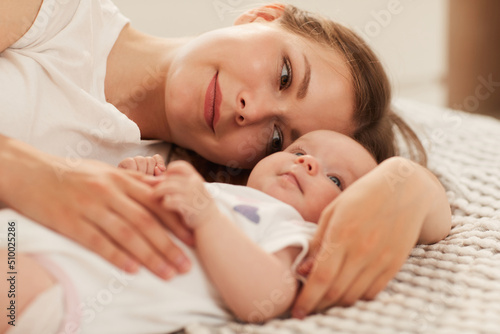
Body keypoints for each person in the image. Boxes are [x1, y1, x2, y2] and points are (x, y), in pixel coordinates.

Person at [0, 0, 447, 315]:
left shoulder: (173, 191)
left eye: (278, 139)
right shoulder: (56, 17)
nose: (249, 110)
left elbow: (432, 216)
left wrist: (407, 181)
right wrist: (30, 175)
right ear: (262, 16)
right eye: (286, 75)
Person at [0, 130, 451, 333]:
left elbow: (266, 300)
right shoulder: (224, 192)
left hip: (66, 284)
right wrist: (138, 177)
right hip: (34, 230)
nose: (307, 163)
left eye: (335, 180)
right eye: (300, 150)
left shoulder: (290, 231)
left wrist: (205, 216)